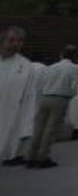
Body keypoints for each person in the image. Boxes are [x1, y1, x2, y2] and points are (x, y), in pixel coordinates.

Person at [27, 45, 78, 169]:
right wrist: (69, 95)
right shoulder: (76, 69)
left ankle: (31, 157)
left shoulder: (51, 67)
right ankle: (42, 158)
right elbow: (75, 87)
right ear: (75, 57)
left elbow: (42, 82)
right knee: (50, 130)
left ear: (61, 55)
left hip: (45, 97)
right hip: (60, 99)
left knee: (38, 128)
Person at [0, 26, 38, 166]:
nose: (16, 44)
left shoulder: (26, 66)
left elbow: (30, 97)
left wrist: (26, 127)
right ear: (2, 41)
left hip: (9, 119)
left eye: (20, 41)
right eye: (11, 40)